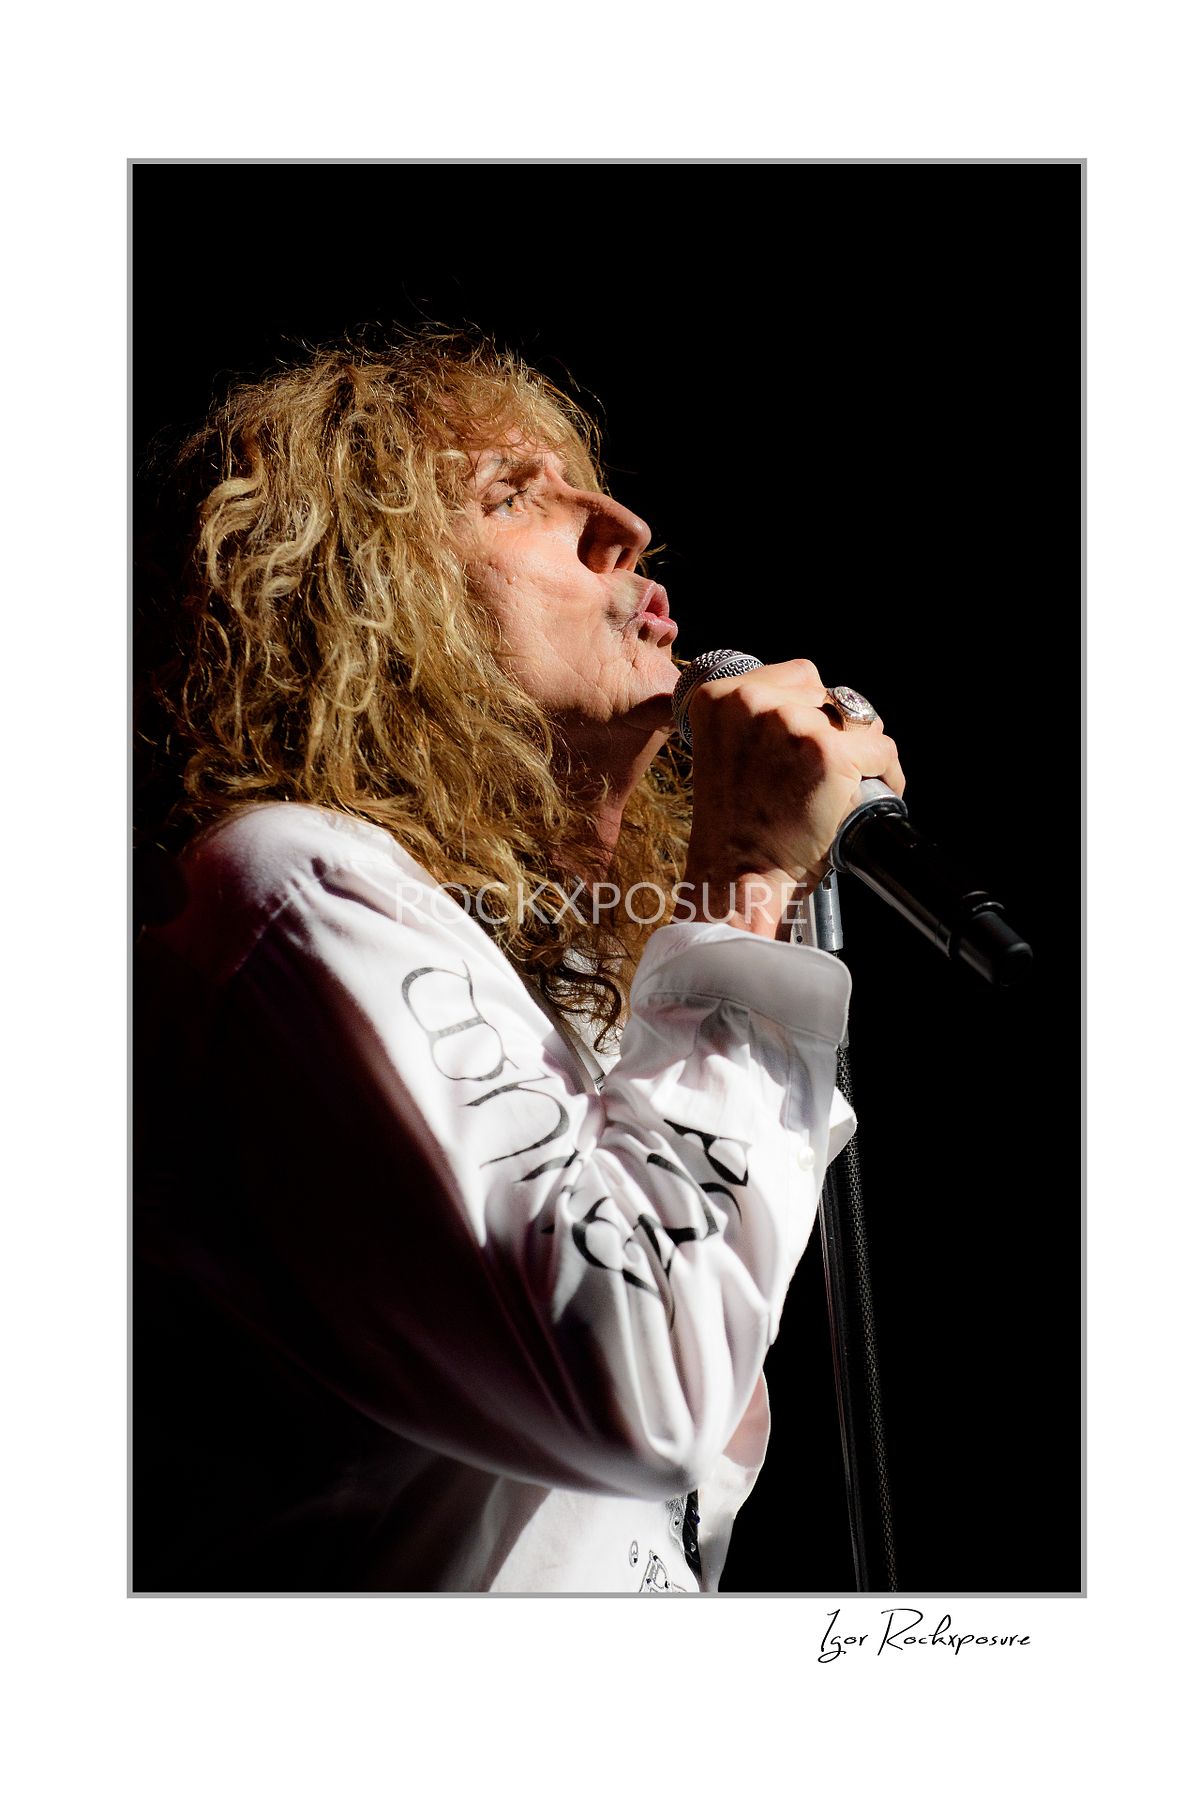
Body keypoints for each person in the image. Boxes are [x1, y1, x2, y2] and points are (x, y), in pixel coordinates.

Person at [133, 330, 904, 1593]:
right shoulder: (295, 886)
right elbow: (645, 1384)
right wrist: (746, 872)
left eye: (588, 485)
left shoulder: (575, 996)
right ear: (366, 603)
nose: (624, 527)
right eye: (511, 495)